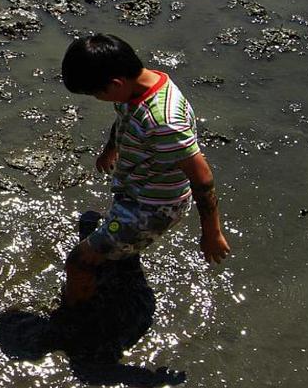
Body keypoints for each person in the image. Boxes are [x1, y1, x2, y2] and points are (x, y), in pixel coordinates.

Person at [60, 33, 231, 307]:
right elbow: (124, 117)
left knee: (78, 263)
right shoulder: (140, 83)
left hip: (152, 209)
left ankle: (73, 313)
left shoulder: (164, 121)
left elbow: (202, 179)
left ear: (115, 84)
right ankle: (120, 250)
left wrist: (212, 232)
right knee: (104, 232)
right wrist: (110, 149)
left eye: (95, 93)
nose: (95, 98)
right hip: (137, 187)